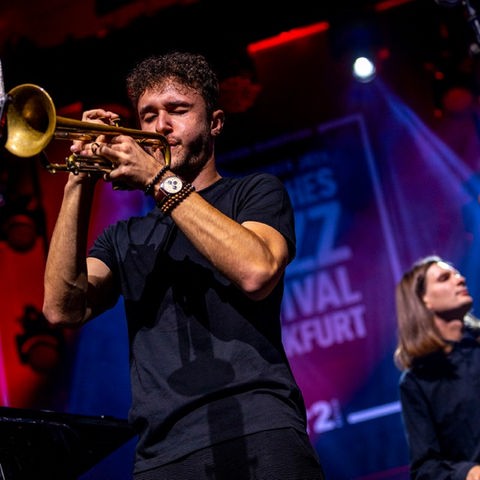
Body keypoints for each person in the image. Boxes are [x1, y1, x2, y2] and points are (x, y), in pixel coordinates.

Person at [42, 51, 325, 480]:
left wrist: (159, 180)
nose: (160, 127)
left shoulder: (254, 193)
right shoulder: (122, 238)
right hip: (162, 455)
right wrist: (79, 177)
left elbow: (257, 270)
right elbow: (62, 308)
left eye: (177, 110)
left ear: (215, 123)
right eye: (148, 114)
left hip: (260, 431)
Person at [394, 254, 480, 480]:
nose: (460, 279)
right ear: (424, 301)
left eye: (457, 274)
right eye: (445, 278)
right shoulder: (418, 381)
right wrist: (470, 473)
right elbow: (425, 467)